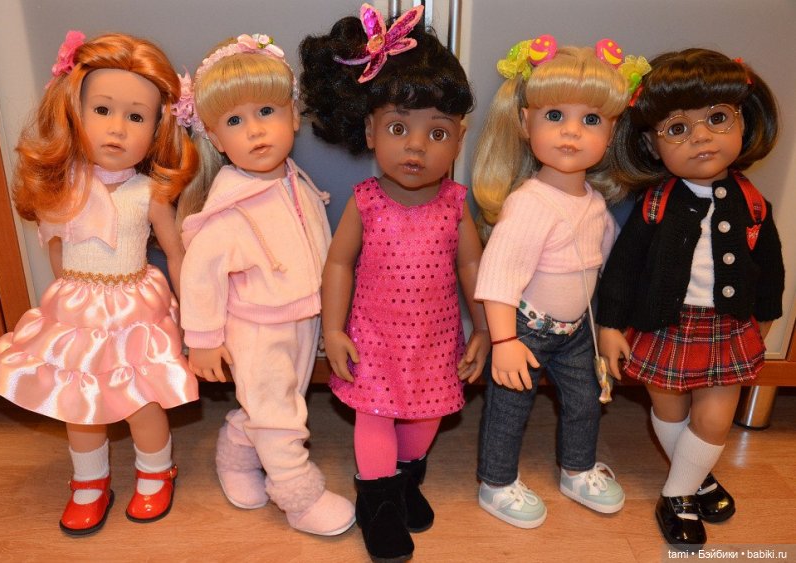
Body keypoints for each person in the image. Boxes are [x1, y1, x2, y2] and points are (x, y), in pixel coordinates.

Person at [0, 31, 199, 535]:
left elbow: (175, 251)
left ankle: (156, 470)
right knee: (80, 405)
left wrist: (195, 316)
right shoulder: (63, 187)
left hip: (135, 310)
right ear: (74, 112)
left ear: (157, 128)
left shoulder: (149, 193)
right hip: (78, 309)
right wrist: (70, 302)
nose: (117, 128)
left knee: (143, 400)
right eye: (102, 110)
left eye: (136, 117)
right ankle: (90, 481)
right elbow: (57, 248)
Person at [299, 5, 490, 560]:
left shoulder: (455, 204)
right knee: (375, 415)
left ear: (458, 141)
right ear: (371, 131)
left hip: (435, 339)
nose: (416, 146)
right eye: (398, 128)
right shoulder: (366, 202)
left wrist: (483, 329)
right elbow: (338, 265)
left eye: (438, 132)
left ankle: (406, 480)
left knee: (427, 417)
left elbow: (472, 268)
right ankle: (378, 501)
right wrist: (333, 330)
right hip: (374, 337)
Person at [597, 48, 784, 548]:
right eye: (677, 128)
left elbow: (770, 268)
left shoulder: (753, 204)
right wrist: (609, 325)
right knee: (671, 412)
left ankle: (676, 493)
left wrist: (765, 317)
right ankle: (697, 478)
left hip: (728, 327)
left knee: (715, 420)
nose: (701, 137)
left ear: (744, 121)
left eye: (717, 119)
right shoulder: (654, 204)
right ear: (652, 144)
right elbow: (622, 269)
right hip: (664, 325)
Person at [175, 34, 355, 537]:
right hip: (256, 330)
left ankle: (235, 456)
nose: (254, 131)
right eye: (234, 122)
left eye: (266, 112)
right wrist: (203, 340)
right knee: (279, 415)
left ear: (293, 116)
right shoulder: (227, 211)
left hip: (301, 320)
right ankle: (299, 497)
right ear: (215, 139)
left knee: (278, 401)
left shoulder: (296, 182)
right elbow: (200, 277)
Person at [473, 36, 648, 529]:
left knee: (586, 401)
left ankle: (578, 468)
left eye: (590, 120)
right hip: (526, 329)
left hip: (577, 332)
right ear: (524, 122)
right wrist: (503, 340)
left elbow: (608, 269)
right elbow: (499, 278)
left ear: (612, 132)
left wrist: (609, 326)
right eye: (554, 116)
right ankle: (496, 482)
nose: (571, 132)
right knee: (509, 408)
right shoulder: (529, 204)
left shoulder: (594, 202)